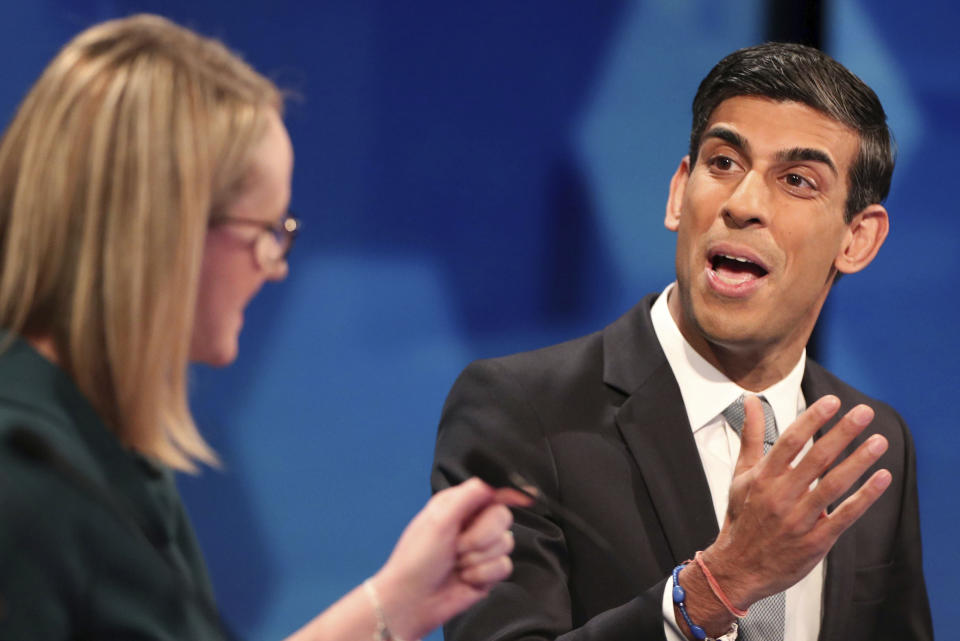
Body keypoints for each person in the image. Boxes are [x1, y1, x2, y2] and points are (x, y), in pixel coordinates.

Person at [0, 14, 523, 641]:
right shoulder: (24, 487)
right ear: (168, 230)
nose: (275, 267)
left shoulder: (106, 458)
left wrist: (400, 601)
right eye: (267, 233)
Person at [432, 43, 933, 641]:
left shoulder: (871, 443)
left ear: (857, 239)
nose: (743, 203)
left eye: (797, 180)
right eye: (723, 163)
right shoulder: (523, 411)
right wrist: (717, 588)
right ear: (678, 192)